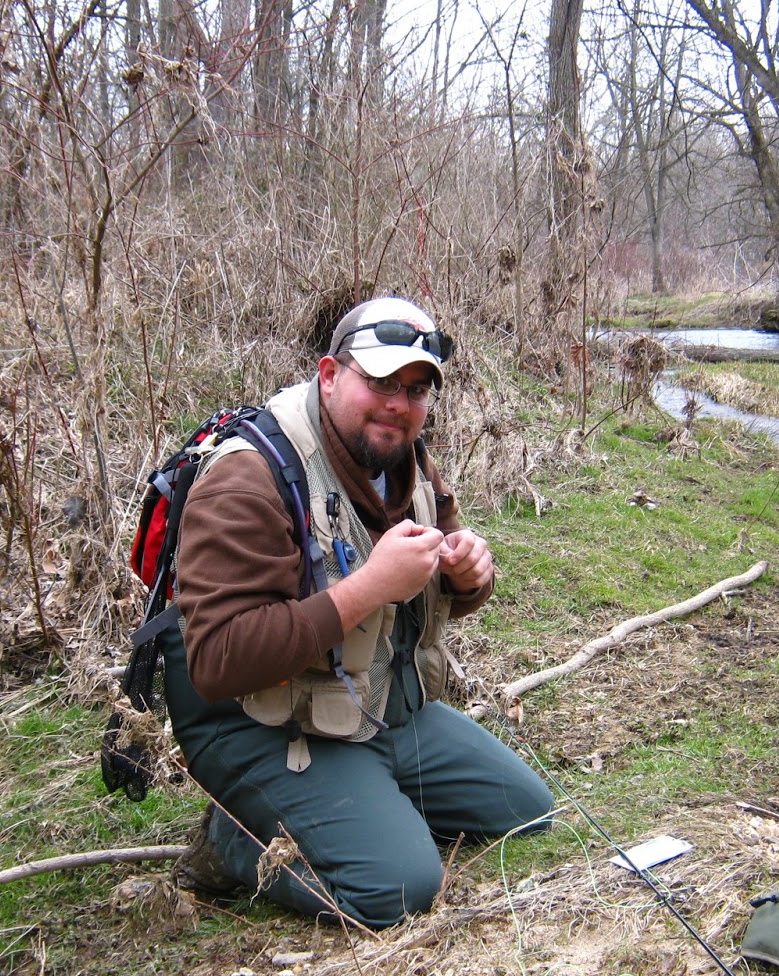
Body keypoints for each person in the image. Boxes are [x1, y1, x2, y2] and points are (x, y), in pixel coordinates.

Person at [157, 296, 554, 928]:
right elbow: (218, 660)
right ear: (330, 375)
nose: (400, 405)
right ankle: (235, 845)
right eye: (380, 382)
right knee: (399, 889)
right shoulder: (248, 479)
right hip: (261, 728)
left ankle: (364, 805)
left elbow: (449, 584)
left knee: (528, 808)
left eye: (418, 390)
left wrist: (471, 575)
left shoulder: (405, 457)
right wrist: (368, 588)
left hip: (378, 709)